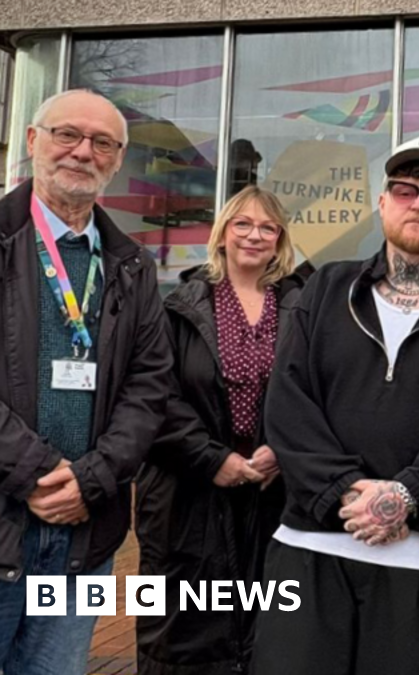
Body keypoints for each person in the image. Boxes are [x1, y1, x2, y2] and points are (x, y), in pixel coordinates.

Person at [251, 134, 419, 675]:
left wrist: (408, 495)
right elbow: (288, 400)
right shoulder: (327, 288)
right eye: (404, 189)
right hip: (314, 549)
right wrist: (347, 494)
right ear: (382, 203)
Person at [0, 89, 172, 674]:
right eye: (66, 134)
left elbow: (151, 385)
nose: (82, 152)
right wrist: (38, 473)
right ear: (32, 142)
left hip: (85, 532)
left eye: (102, 142)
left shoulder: (130, 264)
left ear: (118, 159)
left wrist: (91, 479)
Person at [135, 186, 307, 675]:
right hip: (189, 497)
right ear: (223, 233)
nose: (255, 236)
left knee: (268, 633)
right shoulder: (178, 307)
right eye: (243, 225)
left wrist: (283, 449)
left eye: (267, 227)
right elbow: (155, 397)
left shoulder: (302, 309)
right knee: (186, 637)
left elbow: (316, 392)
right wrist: (213, 460)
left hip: (273, 493)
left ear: (280, 240)